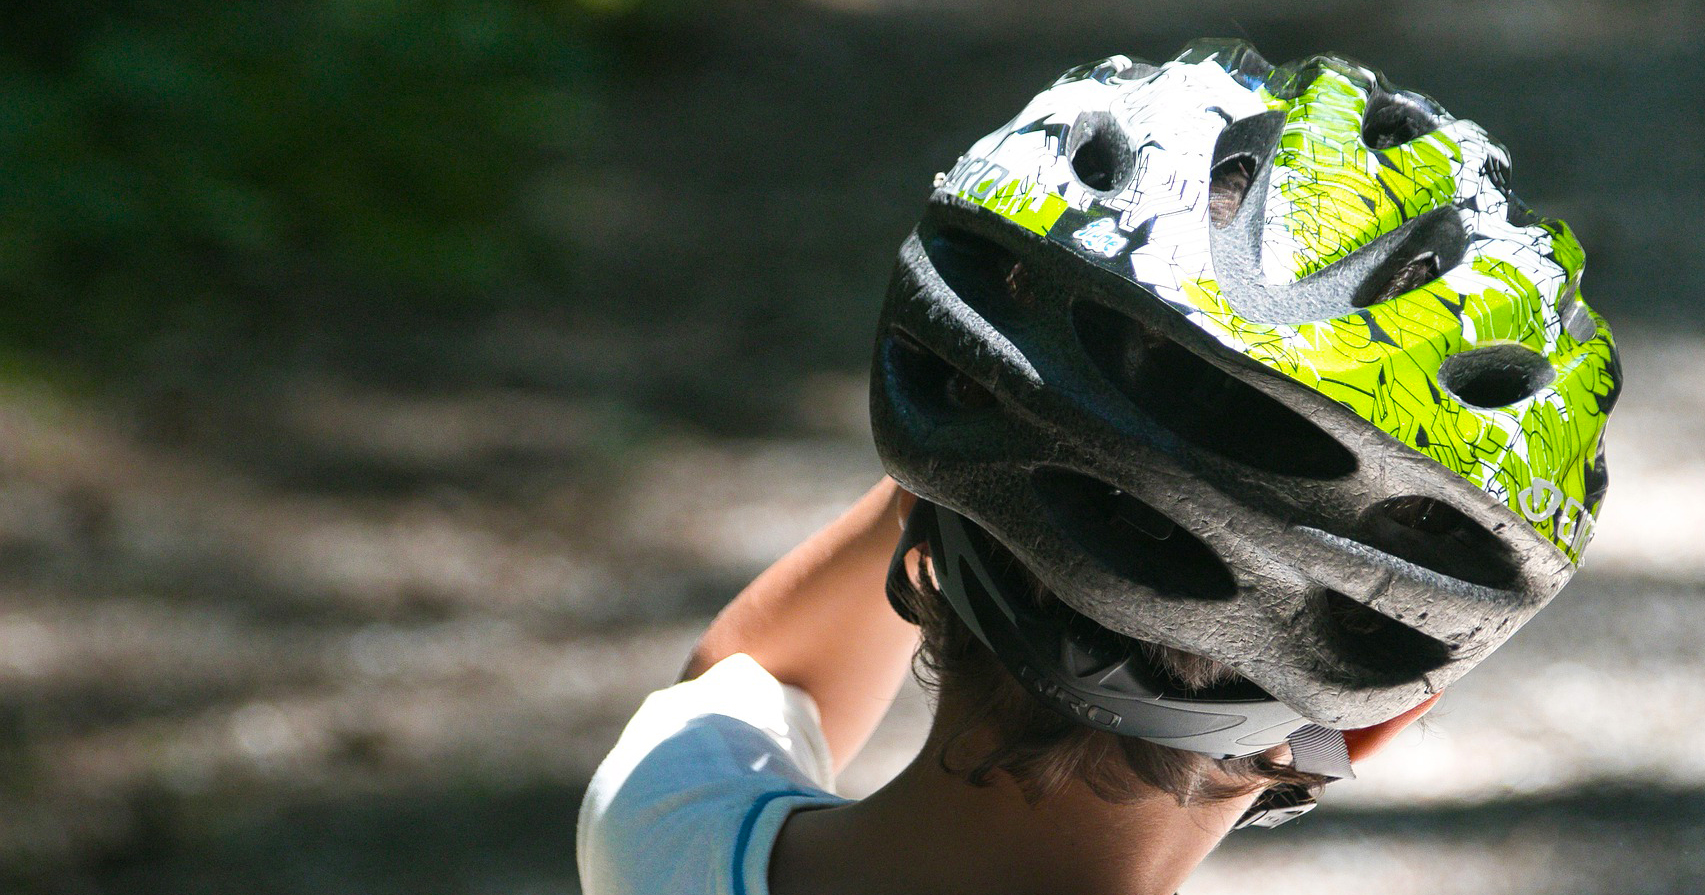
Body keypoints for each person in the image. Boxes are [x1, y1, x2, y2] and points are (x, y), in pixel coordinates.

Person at [578, 39, 1621, 895]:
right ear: (1385, 714)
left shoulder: (667, 841)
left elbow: (760, 673)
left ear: (932, 513)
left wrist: (1022, 418)